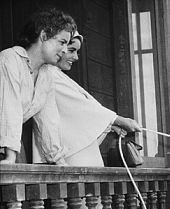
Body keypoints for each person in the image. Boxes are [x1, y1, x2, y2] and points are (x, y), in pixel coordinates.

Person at [33, 31, 141, 166]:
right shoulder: (49, 74)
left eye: (76, 52)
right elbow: (78, 107)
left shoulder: (58, 75)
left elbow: (85, 108)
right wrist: (119, 120)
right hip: (66, 152)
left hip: (77, 147)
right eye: (72, 50)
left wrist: (111, 124)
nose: (76, 57)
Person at [0, 8, 76, 164]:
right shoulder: (10, 59)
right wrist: (10, 157)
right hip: (7, 145)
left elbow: (48, 119)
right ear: (43, 35)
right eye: (62, 42)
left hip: (9, 146)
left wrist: (58, 160)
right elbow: (9, 108)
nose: (64, 50)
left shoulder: (47, 74)